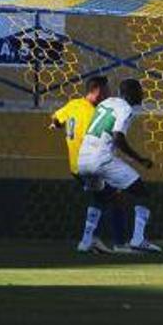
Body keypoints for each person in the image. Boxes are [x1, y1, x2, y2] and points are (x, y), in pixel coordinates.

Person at [76, 79, 159, 252]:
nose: (142, 95)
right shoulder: (126, 109)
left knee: (102, 197)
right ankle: (138, 239)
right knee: (142, 193)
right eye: (140, 91)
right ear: (131, 93)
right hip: (101, 158)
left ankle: (87, 241)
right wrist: (140, 159)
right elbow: (118, 138)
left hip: (83, 159)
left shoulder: (106, 103)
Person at [50, 75, 129, 254]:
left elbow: (56, 118)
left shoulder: (73, 105)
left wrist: (55, 125)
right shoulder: (94, 114)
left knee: (101, 197)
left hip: (76, 167)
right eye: (107, 91)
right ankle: (111, 243)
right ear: (97, 91)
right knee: (116, 197)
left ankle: (90, 240)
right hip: (90, 164)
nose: (109, 95)